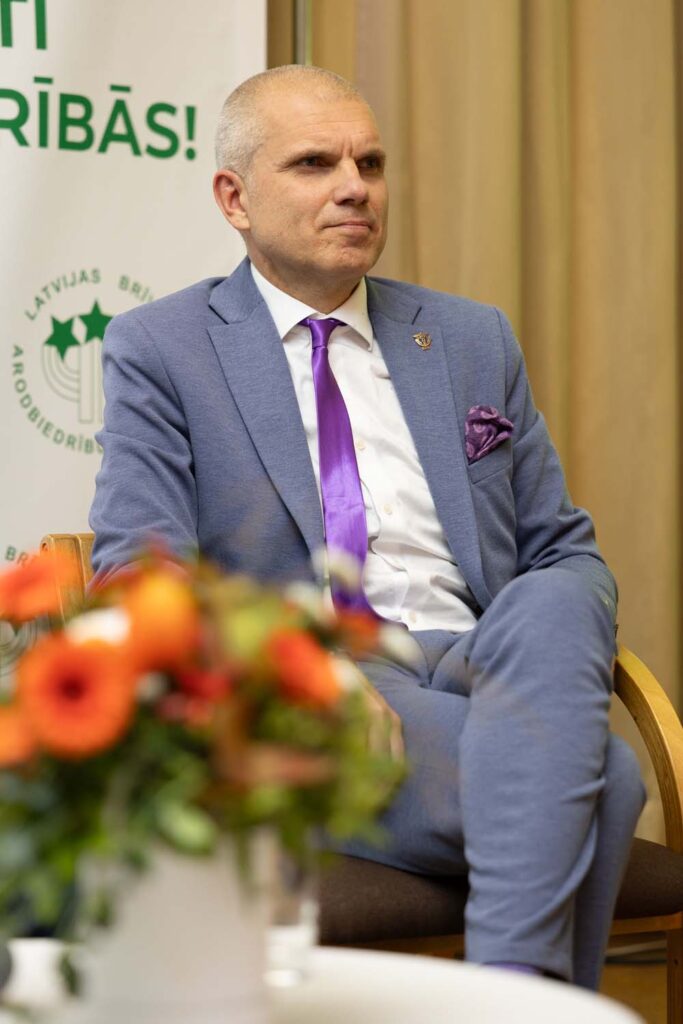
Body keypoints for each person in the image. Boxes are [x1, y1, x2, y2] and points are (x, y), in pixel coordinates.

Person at [90, 64, 644, 987]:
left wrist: (554, 614)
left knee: (556, 599)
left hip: (488, 662)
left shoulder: (469, 337)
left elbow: (563, 551)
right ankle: (522, 1000)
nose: (355, 186)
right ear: (234, 198)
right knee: (607, 782)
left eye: (370, 163)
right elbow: (139, 576)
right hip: (328, 682)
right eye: (315, 163)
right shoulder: (162, 347)